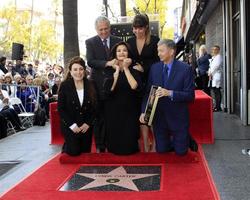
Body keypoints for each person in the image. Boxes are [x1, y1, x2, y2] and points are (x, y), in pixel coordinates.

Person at [139, 39, 195, 155]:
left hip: (178, 117)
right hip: (159, 118)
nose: (158, 54)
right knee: (162, 150)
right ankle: (176, 141)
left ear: (171, 52)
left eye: (161, 51)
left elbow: (190, 96)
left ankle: (185, 140)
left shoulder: (185, 69)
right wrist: (144, 112)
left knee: (181, 152)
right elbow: (148, 92)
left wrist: (170, 93)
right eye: (158, 51)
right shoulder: (154, 68)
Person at [85, 16, 122, 152]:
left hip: (116, 83)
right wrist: (108, 63)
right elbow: (90, 61)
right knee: (99, 116)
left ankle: (113, 142)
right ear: (96, 29)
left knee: (113, 114)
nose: (104, 32)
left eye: (106, 29)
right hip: (97, 85)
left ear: (110, 27)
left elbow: (122, 56)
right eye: (101, 29)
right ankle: (100, 145)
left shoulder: (118, 41)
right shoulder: (90, 42)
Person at [127, 14, 160, 152]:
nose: (137, 31)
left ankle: (156, 144)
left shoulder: (155, 40)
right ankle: (146, 144)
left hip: (152, 82)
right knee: (140, 114)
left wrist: (144, 67)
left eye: (140, 28)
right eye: (134, 28)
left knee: (150, 113)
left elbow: (159, 62)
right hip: (136, 84)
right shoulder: (129, 41)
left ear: (146, 27)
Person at [103, 41, 142, 155]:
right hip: (113, 108)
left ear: (128, 53)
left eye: (124, 50)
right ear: (115, 54)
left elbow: (134, 86)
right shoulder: (109, 70)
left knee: (130, 143)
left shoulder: (134, 69)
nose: (122, 53)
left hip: (130, 108)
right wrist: (115, 77)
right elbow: (108, 91)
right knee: (114, 140)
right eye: (118, 51)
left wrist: (126, 68)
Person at [57, 56, 96, 156]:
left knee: (85, 152)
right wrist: (72, 125)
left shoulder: (91, 84)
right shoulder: (65, 85)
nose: (78, 72)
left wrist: (88, 123)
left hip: (85, 125)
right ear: (70, 71)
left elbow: (95, 107)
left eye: (81, 69)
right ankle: (67, 145)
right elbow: (61, 109)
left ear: (84, 70)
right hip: (70, 125)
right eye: (75, 69)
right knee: (74, 152)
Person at [208, 45, 222, 112]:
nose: (214, 50)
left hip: (216, 76)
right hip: (213, 76)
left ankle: (218, 107)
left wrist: (210, 73)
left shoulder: (219, 57)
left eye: (215, 49)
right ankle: (216, 106)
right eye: (213, 49)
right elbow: (211, 66)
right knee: (215, 91)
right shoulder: (214, 57)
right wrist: (209, 72)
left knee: (217, 91)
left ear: (218, 50)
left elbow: (216, 66)